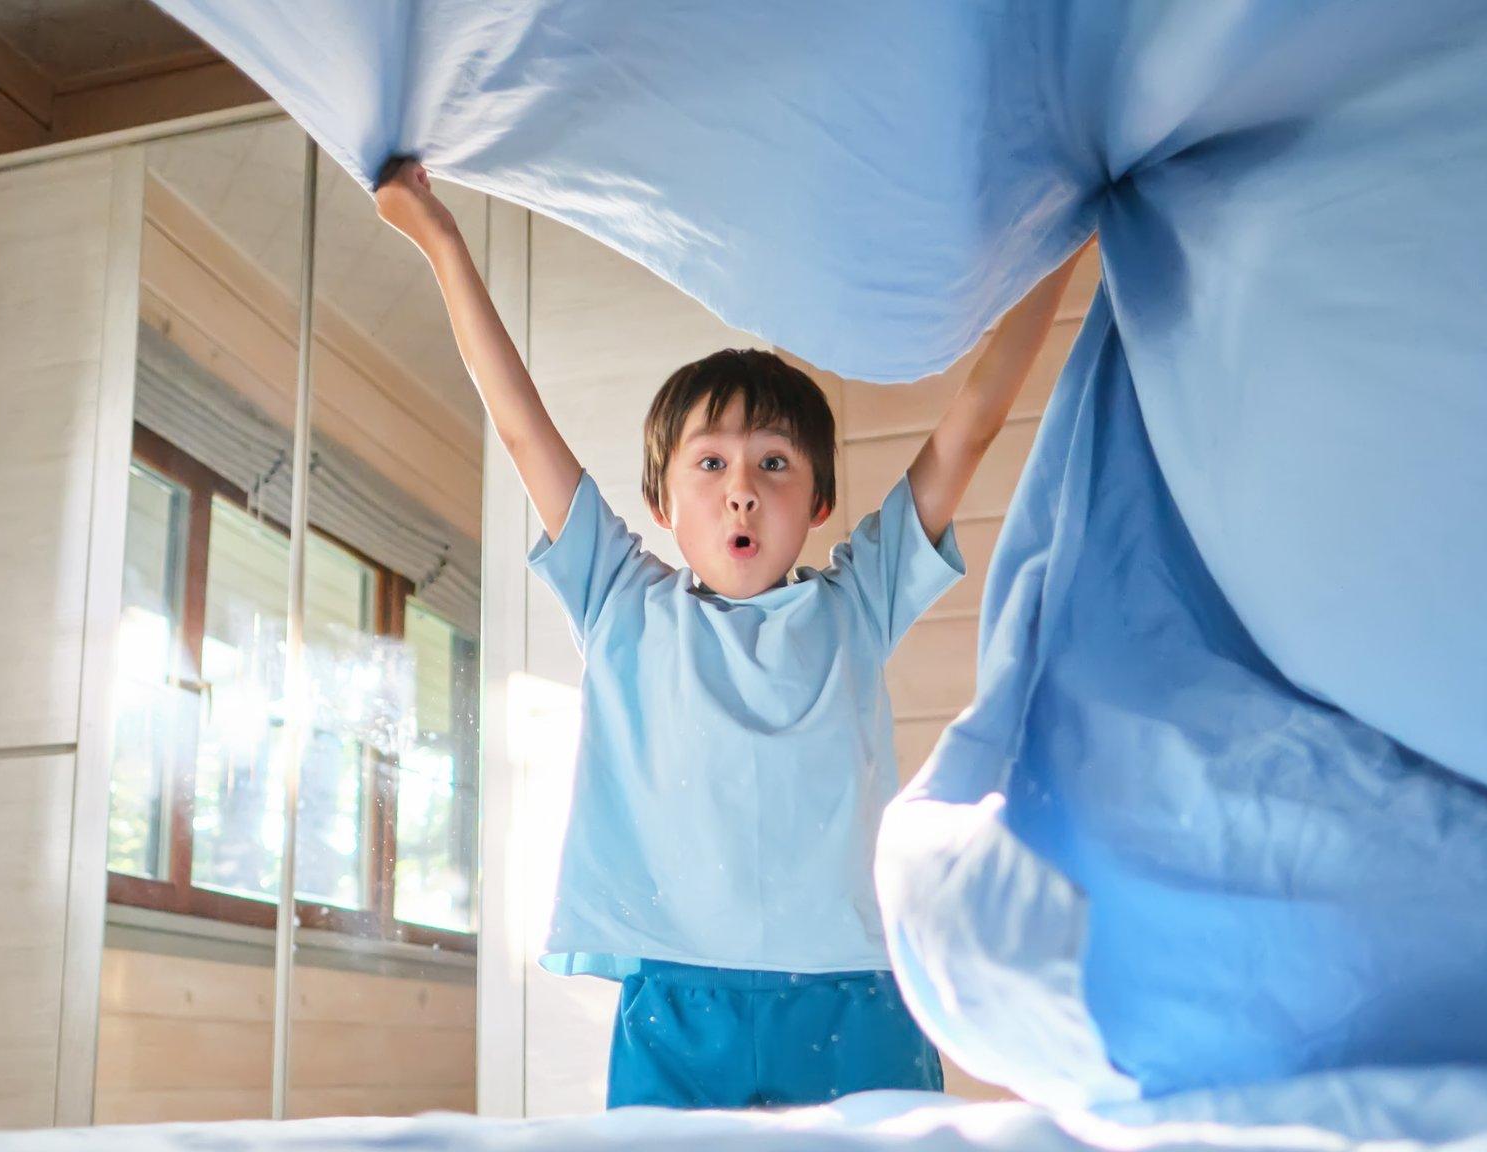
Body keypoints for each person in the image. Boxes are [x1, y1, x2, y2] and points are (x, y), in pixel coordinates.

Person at [375, 157, 1078, 1108]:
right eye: (710, 462)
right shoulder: (621, 601)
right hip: (677, 1004)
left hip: (853, 995)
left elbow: (971, 427)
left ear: (820, 502)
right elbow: (519, 423)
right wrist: (443, 243)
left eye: (775, 462)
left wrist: (1063, 246)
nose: (743, 485)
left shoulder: (856, 601)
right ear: (663, 503)